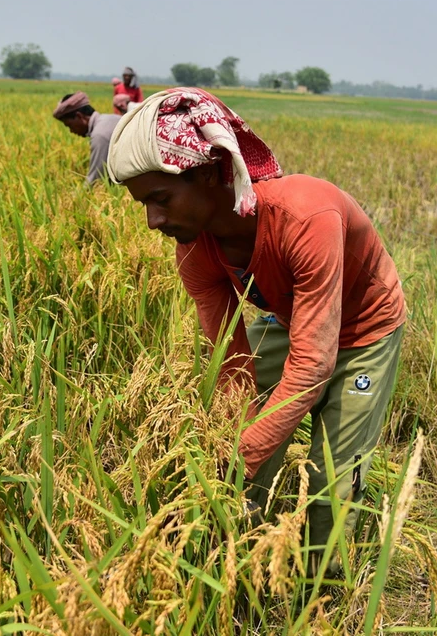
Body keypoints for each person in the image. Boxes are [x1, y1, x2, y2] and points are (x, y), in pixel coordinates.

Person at [106, 88, 406, 569]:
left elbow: (313, 366)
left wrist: (243, 453)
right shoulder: (195, 250)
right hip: (294, 319)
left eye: (160, 199)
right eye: (144, 204)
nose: (151, 220)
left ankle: (319, 591)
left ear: (208, 173)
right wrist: (235, 448)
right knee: (236, 429)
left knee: (332, 473)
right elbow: (231, 361)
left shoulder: (307, 216)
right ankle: (241, 548)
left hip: (362, 330)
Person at [53, 91, 122, 185]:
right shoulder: (111, 118)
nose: (71, 131)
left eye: (69, 125)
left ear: (79, 116)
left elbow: (96, 179)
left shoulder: (99, 135)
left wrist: (78, 196)